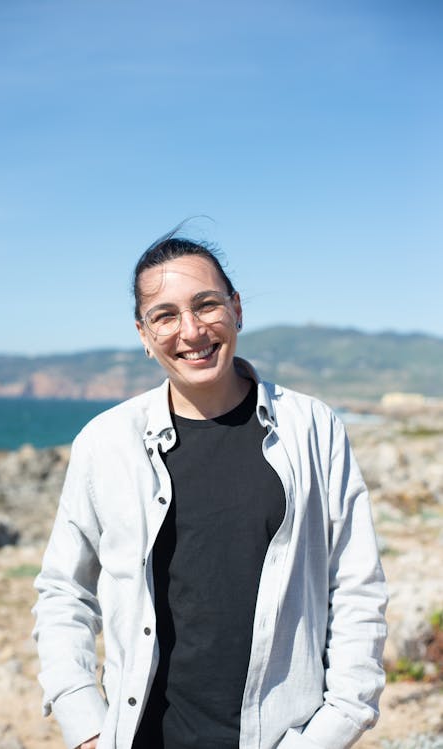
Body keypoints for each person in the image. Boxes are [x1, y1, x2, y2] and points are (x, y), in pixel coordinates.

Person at [33, 228, 388, 749]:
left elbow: (357, 587)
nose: (192, 330)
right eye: (166, 315)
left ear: (237, 309)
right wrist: (85, 724)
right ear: (144, 334)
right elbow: (64, 591)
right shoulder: (105, 443)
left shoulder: (312, 428)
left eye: (206, 305)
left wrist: (337, 724)